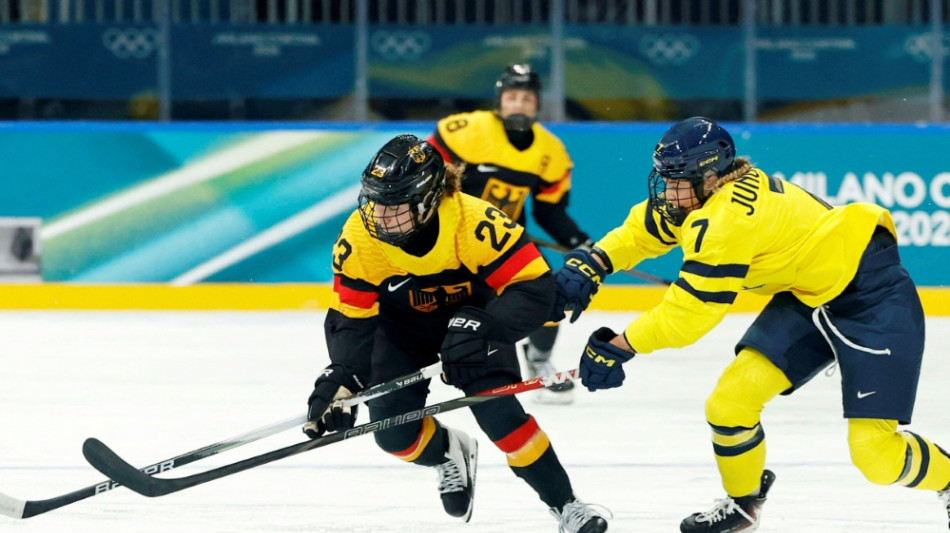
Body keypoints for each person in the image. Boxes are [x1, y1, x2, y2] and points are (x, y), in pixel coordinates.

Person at [550, 116, 950, 532]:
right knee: (729, 403)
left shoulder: (726, 222)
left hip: (873, 297)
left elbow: (689, 315)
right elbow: (642, 230)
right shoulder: (707, 192)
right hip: (809, 294)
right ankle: (743, 506)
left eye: (678, 182)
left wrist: (621, 343)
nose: (669, 193)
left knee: (876, 456)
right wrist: (594, 262)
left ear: (710, 177)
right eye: (666, 180)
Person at [303, 134, 610, 532]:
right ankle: (449, 453)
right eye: (376, 201)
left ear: (429, 199)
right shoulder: (360, 238)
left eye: (395, 205)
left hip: (475, 321)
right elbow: (351, 315)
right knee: (393, 435)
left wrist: (486, 326)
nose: (380, 215)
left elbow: (534, 287)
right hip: (402, 330)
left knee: (502, 416)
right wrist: (343, 374)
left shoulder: (475, 222)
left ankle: (567, 506)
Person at [426, 63, 592, 404]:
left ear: (537, 104)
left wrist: (581, 243)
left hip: (505, 242)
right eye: (512, 97)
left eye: (527, 98)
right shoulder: (463, 131)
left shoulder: (551, 151)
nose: (519, 104)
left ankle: (539, 359)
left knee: (547, 293)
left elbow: (550, 212)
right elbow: (428, 180)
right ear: (500, 100)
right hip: (454, 239)